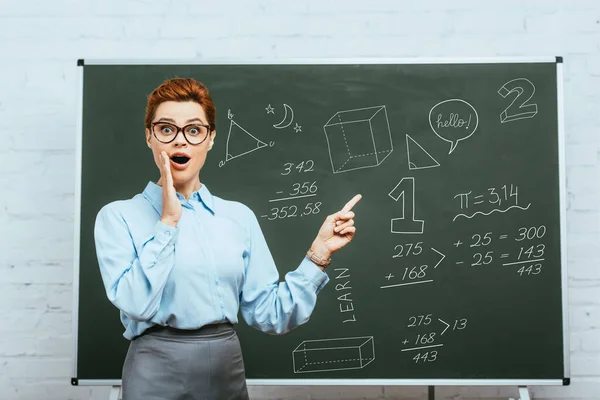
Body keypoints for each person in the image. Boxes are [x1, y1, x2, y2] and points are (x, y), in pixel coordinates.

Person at [93, 77, 362, 400]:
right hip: (154, 368)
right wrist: (168, 222)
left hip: (224, 368)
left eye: (194, 130)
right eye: (167, 129)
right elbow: (136, 304)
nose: (181, 142)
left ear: (211, 139)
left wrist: (318, 253)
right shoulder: (118, 216)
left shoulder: (238, 217)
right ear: (149, 136)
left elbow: (270, 314)